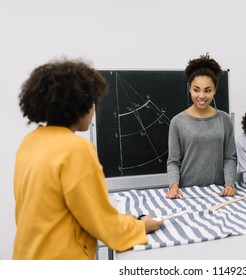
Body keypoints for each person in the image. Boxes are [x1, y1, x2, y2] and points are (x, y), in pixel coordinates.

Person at [13, 58, 163, 260]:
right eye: (92, 102)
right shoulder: (76, 149)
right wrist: (142, 226)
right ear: (78, 106)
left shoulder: (30, 142)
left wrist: (121, 219)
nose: (94, 109)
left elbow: (62, 212)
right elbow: (105, 227)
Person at [165, 53, 237, 199]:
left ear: (215, 90)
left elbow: (230, 157)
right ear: (189, 88)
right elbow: (173, 161)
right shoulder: (177, 122)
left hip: (219, 193)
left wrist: (230, 184)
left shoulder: (224, 119)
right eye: (196, 90)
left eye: (207, 90)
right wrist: (173, 186)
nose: (202, 96)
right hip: (186, 193)